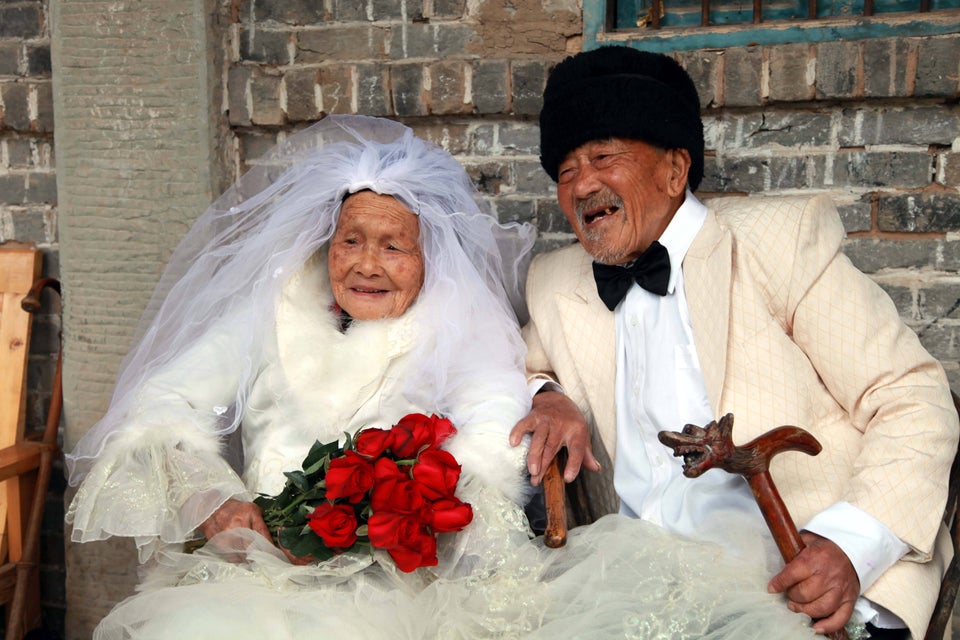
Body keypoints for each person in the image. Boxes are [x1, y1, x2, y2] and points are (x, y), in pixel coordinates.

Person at [67, 114, 824, 640]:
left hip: (394, 574)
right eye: (351, 241)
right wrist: (216, 498)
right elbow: (163, 406)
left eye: (393, 246)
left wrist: (386, 505)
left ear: (427, 256)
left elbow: (493, 432)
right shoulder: (272, 309)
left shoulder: (456, 322)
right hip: (255, 561)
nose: (367, 263)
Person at [511, 46, 959, 640]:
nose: (582, 184)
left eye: (603, 157)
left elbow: (911, 395)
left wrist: (852, 546)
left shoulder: (780, 243)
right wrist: (547, 395)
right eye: (566, 170)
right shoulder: (554, 280)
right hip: (634, 590)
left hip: (802, 580)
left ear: (675, 170)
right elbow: (506, 369)